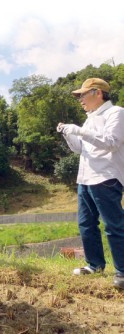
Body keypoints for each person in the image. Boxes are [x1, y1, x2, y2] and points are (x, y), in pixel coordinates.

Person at [57, 78, 124, 289]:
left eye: (82, 95)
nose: (80, 100)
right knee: (86, 224)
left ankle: (122, 270)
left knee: (113, 225)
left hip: (106, 177)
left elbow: (111, 143)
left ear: (98, 93)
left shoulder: (116, 113)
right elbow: (79, 148)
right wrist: (68, 134)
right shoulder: (89, 119)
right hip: (85, 178)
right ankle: (94, 265)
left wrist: (78, 130)